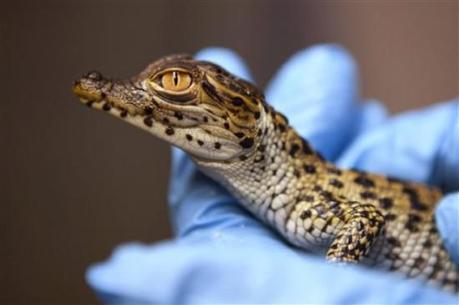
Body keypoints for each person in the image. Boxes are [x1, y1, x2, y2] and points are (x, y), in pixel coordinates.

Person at [86, 46, 459, 304]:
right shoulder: (296, 196)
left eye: (175, 85)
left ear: (244, 120)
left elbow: (365, 218)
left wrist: (332, 278)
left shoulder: (305, 203)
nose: (140, 97)